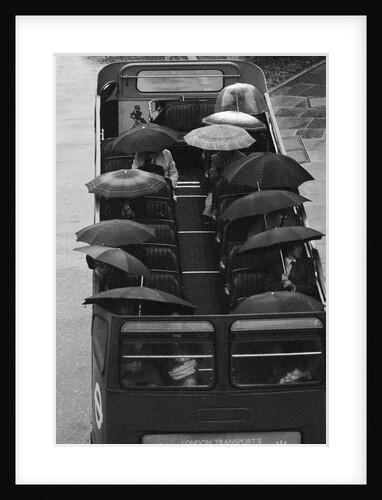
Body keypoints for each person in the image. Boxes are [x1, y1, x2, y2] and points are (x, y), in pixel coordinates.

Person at [203, 149, 246, 222]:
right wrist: (216, 169)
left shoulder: (242, 157)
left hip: (236, 184)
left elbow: (244, 174)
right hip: (222, 186)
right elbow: (212, 178)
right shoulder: (216, 157)